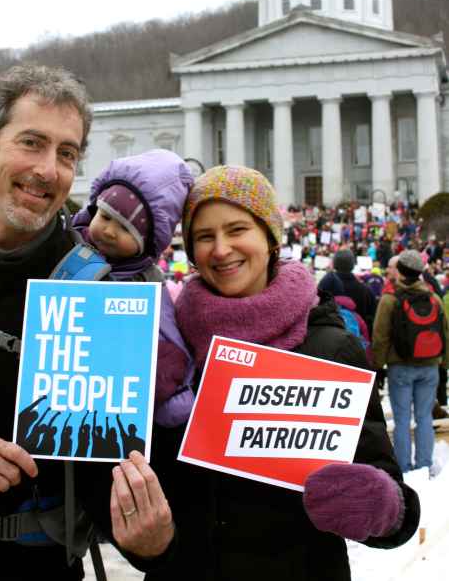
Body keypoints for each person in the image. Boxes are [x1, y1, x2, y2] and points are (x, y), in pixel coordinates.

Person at [0, 65, 174, 580]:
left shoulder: (99, 293)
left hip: (32, 565)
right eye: (31, 143)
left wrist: (148, 540)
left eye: (66, 153)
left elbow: (107, 469)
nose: (48, 169)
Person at [148, 165, 420, 581]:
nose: (220, 249)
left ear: (270, 237)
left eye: (237, 229)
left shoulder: (329, 347)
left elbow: (388, 492)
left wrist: (384, 507)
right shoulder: (172, 341)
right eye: (204, 236)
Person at [72, 148, 195, 427]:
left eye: (125, 228)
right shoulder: (65, 249)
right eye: (104, 216)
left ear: (147, 242)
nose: (109, 231)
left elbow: (169, 338)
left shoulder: (146, 281)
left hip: (109, 409)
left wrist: (170, 389)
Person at [373, 249, 449, 475]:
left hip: (400, 367)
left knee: (402, 419)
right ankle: (425, 463)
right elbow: (445, 332)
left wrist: (378, 366)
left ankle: (404, 466)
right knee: (425, 417)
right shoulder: (433, 298)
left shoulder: (390, 299)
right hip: (430, 366)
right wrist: (444, 363)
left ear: (400, 271)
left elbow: (380, 336)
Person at [318, 248, 377, 335]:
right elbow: (372, 319)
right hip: (358, 341)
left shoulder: (325, 287)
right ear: (353, 265)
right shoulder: (366, 290)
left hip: (326, 337)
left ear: (334, 264)